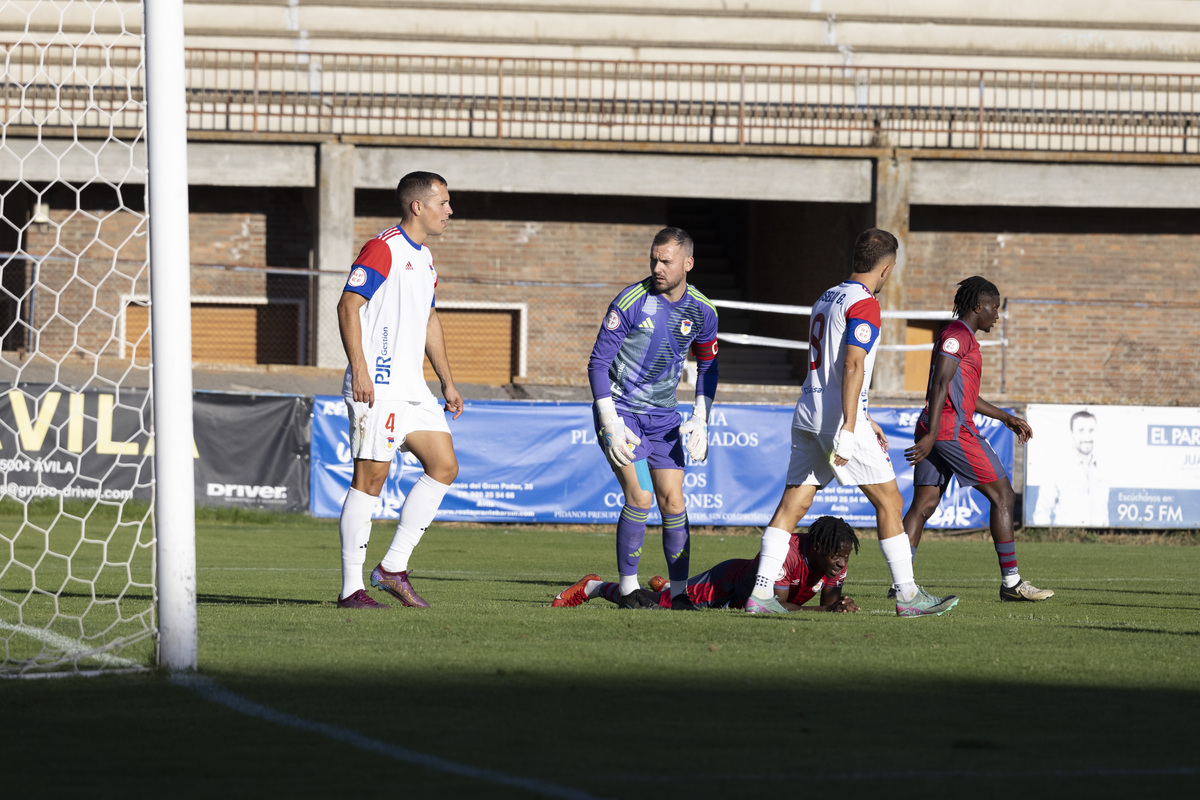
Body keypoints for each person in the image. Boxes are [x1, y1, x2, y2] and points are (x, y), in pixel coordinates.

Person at [745, 228, 958, 617]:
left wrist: (866, 415)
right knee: (890, 501)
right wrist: (850, 424)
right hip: (838, 422)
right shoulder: (865, 303)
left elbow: (828, 368)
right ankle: (908, 596)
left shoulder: (825, 297)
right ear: (887, 268)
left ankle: (760, 595)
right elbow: (851, 364)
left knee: (792, 504)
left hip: (807, 413)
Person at [333, 171, 463, 610]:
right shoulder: (383, 247)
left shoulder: (424, 259)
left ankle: (391, 568)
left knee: (444, 466)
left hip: (414, 390)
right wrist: (360, 370)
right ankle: (352, 589)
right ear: (418, 206)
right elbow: (348, 305)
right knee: (371, 479)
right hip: (378, 387)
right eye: (443, 203)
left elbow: (429, 320)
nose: (449, 211)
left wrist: (446, 381)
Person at [586, 227, 719, 611]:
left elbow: (708, 365)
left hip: (664, 418)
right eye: (653, 260)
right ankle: (628, 589)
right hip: (621, 411)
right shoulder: (630, 301)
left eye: (666, 261)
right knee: (640, 496)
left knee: (674, 503)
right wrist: (609, 418)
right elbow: (598, 364)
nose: (657, 267)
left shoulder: (703, 311)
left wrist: (701, 415)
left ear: (687, 264)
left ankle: (678, 595)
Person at [902, 276, 1053, 602]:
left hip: (939, 428)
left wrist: (1005, 416)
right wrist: (932, 435)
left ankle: (903, 583)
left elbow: (964, 393)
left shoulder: (961, 336)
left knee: (924, 505)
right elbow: (940, 384)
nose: (996, 315)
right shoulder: (957, 336)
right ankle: (1011, 583)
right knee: (1003, 495)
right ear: (977, 306)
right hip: (951, 430)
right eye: (994, 308)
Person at [552, 516, 861, 613]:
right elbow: (774, 605)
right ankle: (594, 586)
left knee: (669, 598)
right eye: (837, 556)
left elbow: (830, 601)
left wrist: (838, 607)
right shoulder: (789, 553)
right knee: (652, 609)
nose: (841, 563)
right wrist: (825, 611)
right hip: (723, 585)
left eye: (845, 557)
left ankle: (669, 587)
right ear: (818, 547)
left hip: (737, 589)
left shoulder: (836, 558)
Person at [1031, 409, 1109, 527]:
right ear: (1072, 433)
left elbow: (1104, 511)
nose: (1087, 437)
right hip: (1068, 539)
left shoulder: (1103, 468)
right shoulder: (1058, 468)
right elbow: (1042, 512)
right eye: (1081, 431)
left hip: (1099, 540)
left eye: (1091, 430)